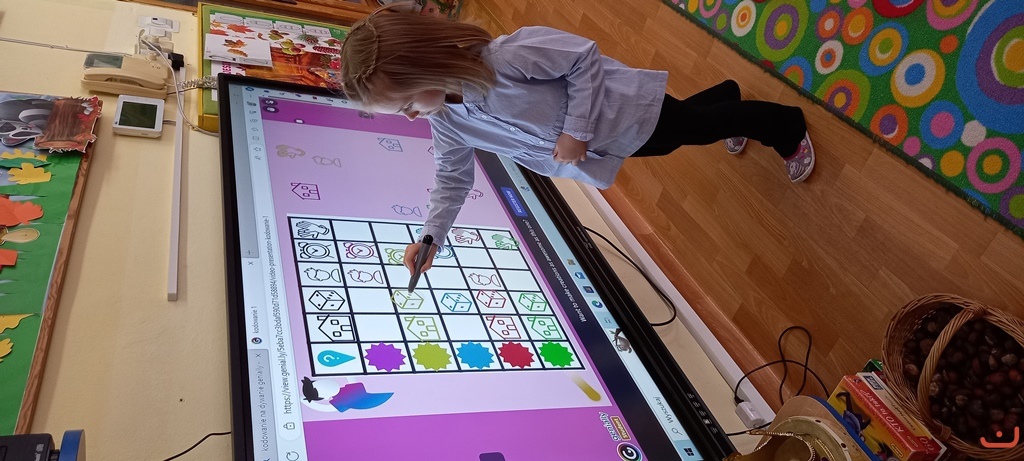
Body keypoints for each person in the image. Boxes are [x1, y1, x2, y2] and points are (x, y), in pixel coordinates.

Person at [338, 5, 815, 276]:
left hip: (624, 112)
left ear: (427, 67)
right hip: (609, 143)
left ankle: (785, 127)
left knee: (688, 130)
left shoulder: (506, 57)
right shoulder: (446, 120)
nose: (411, 117)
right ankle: (725, 98)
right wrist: (431, 235)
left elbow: (584, 57)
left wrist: (575, 131)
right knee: (683, 129)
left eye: (407, 104)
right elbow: (452, 178)